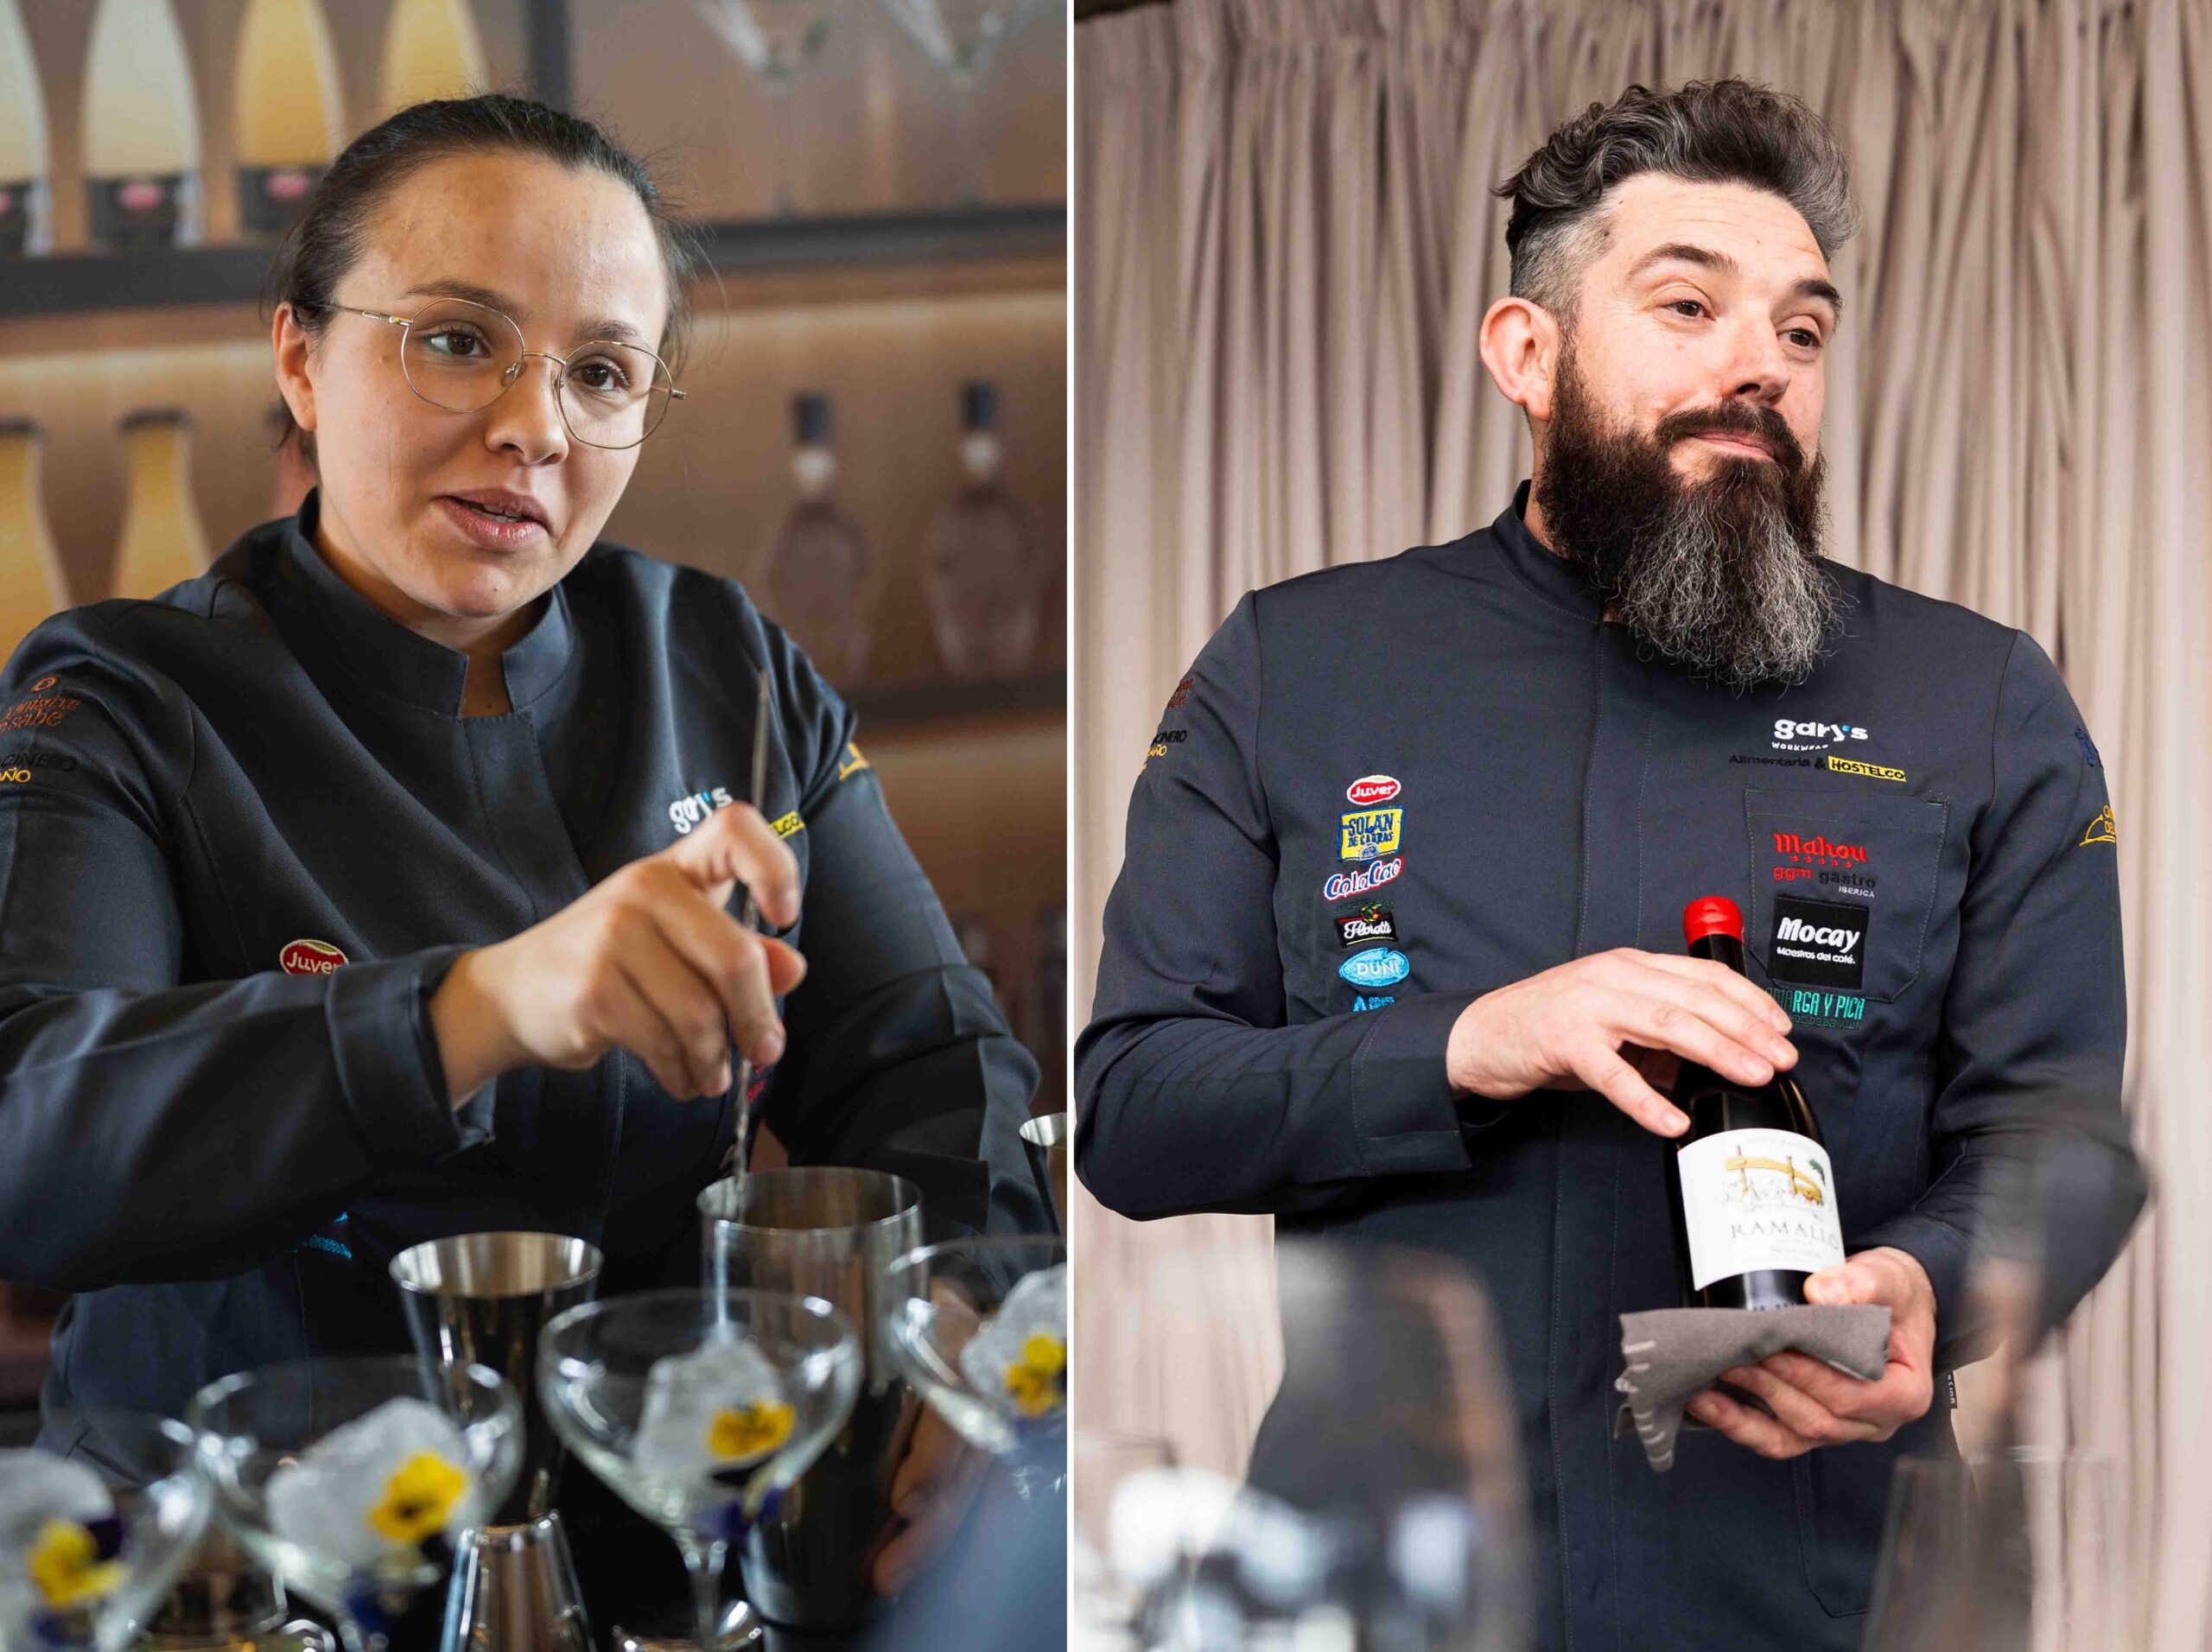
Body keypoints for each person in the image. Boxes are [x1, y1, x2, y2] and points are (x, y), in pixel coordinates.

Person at [1076, 78, 2145, 1650]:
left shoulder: (1977, 700)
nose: (1757, 368)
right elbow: (1134, 1110)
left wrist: (1930, 1283)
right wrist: (1467, 1047)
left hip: (1821, 1596)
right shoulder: (1296, 666)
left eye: (1800, 329)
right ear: (1529, 351)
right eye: (1688, 305)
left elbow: (2064, 1151)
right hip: (1387, 1591)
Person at [0, 94, 1041, 1613]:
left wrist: (960, 1330)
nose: (534, 426)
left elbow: (925, 1064)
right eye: (457, 339)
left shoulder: (723, 667)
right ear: (299, 352)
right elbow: (26, 1131)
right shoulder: (117, 700)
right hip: (250, 1560)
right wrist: (476, 1007)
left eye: (601, 372)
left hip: (671, 1537)